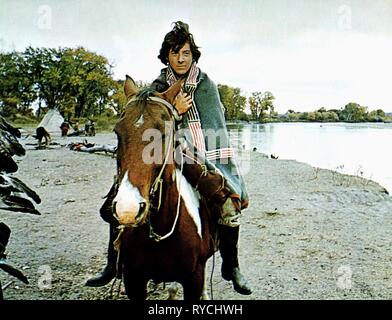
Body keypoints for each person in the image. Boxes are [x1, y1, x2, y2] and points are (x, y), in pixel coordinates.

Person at [86, 21, 252, 295]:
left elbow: (215, 127)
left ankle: (231, 265)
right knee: (117, 201)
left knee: (227, 203)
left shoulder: (206, 85)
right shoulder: (158, 86)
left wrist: (180, 119)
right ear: (167, 56)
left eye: (186, 53)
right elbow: (149, 123)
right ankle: (112, 263)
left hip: (201, 153)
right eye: (175, 53)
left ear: (193, 55)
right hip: (165, 149)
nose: (181, 58)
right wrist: (174, 112)